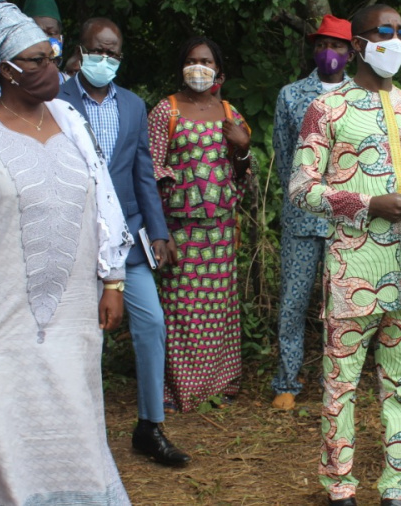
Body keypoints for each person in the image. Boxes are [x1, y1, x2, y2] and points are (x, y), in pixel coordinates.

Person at [0, 1, 132, 503]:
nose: (49, 70)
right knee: (3, 418)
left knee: (75, 422)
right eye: (34, 61)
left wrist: (113, 279)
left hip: (74, 318)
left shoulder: (70, 122)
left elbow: (104, 201)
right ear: (4, 69)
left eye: (51, 58)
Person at [289, 5, 401, 505]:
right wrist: (367, 203)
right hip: (354, 271)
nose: (395, 41)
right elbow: (301, 188)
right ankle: (339, 488)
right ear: (358, 43)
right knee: (341, 386)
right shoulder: (328, 109)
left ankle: (396, 489)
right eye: (384, 32)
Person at [58, 17, 190, 467]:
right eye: (98, 51)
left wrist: (157, 231)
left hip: (126, 240)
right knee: (78, 334)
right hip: (72, 240)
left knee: (151, 323)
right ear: (80, 51)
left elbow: (142, 173)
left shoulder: (132, 106)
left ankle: (149, 427)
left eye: (113, 53)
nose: (106, 59)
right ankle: (75, 430)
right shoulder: (54, 100)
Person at [147, 36, 252, 414]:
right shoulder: (166, 111)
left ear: (218, 71)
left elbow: (243, 174)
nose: (198, 67)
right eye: (191, 60)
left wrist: (241, 147)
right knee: (179, 313)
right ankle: (176, 390)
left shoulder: (229, 112)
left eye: (206, 61)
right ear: (181, 67)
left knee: (218, 310)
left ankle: (218, 385)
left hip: (220, 231)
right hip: (180, 230)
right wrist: (159, 233)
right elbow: (152, 171)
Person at [271, 14, 353, 411]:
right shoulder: (290, 95)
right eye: (321, 44)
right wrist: (297, 201)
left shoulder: (362, 96)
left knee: (341, 306)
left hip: (345, 220)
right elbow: (285, 155)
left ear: (351, 52)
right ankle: (286, 382)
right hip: (302, 219)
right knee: (293, 302)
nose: (328, 52)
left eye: (336, 45)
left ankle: (335, 383)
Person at [0, 0, 66, 105]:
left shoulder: (70, 84)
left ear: (61, 38)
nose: (44, 38)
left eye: (51, 33)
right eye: (37, 32)